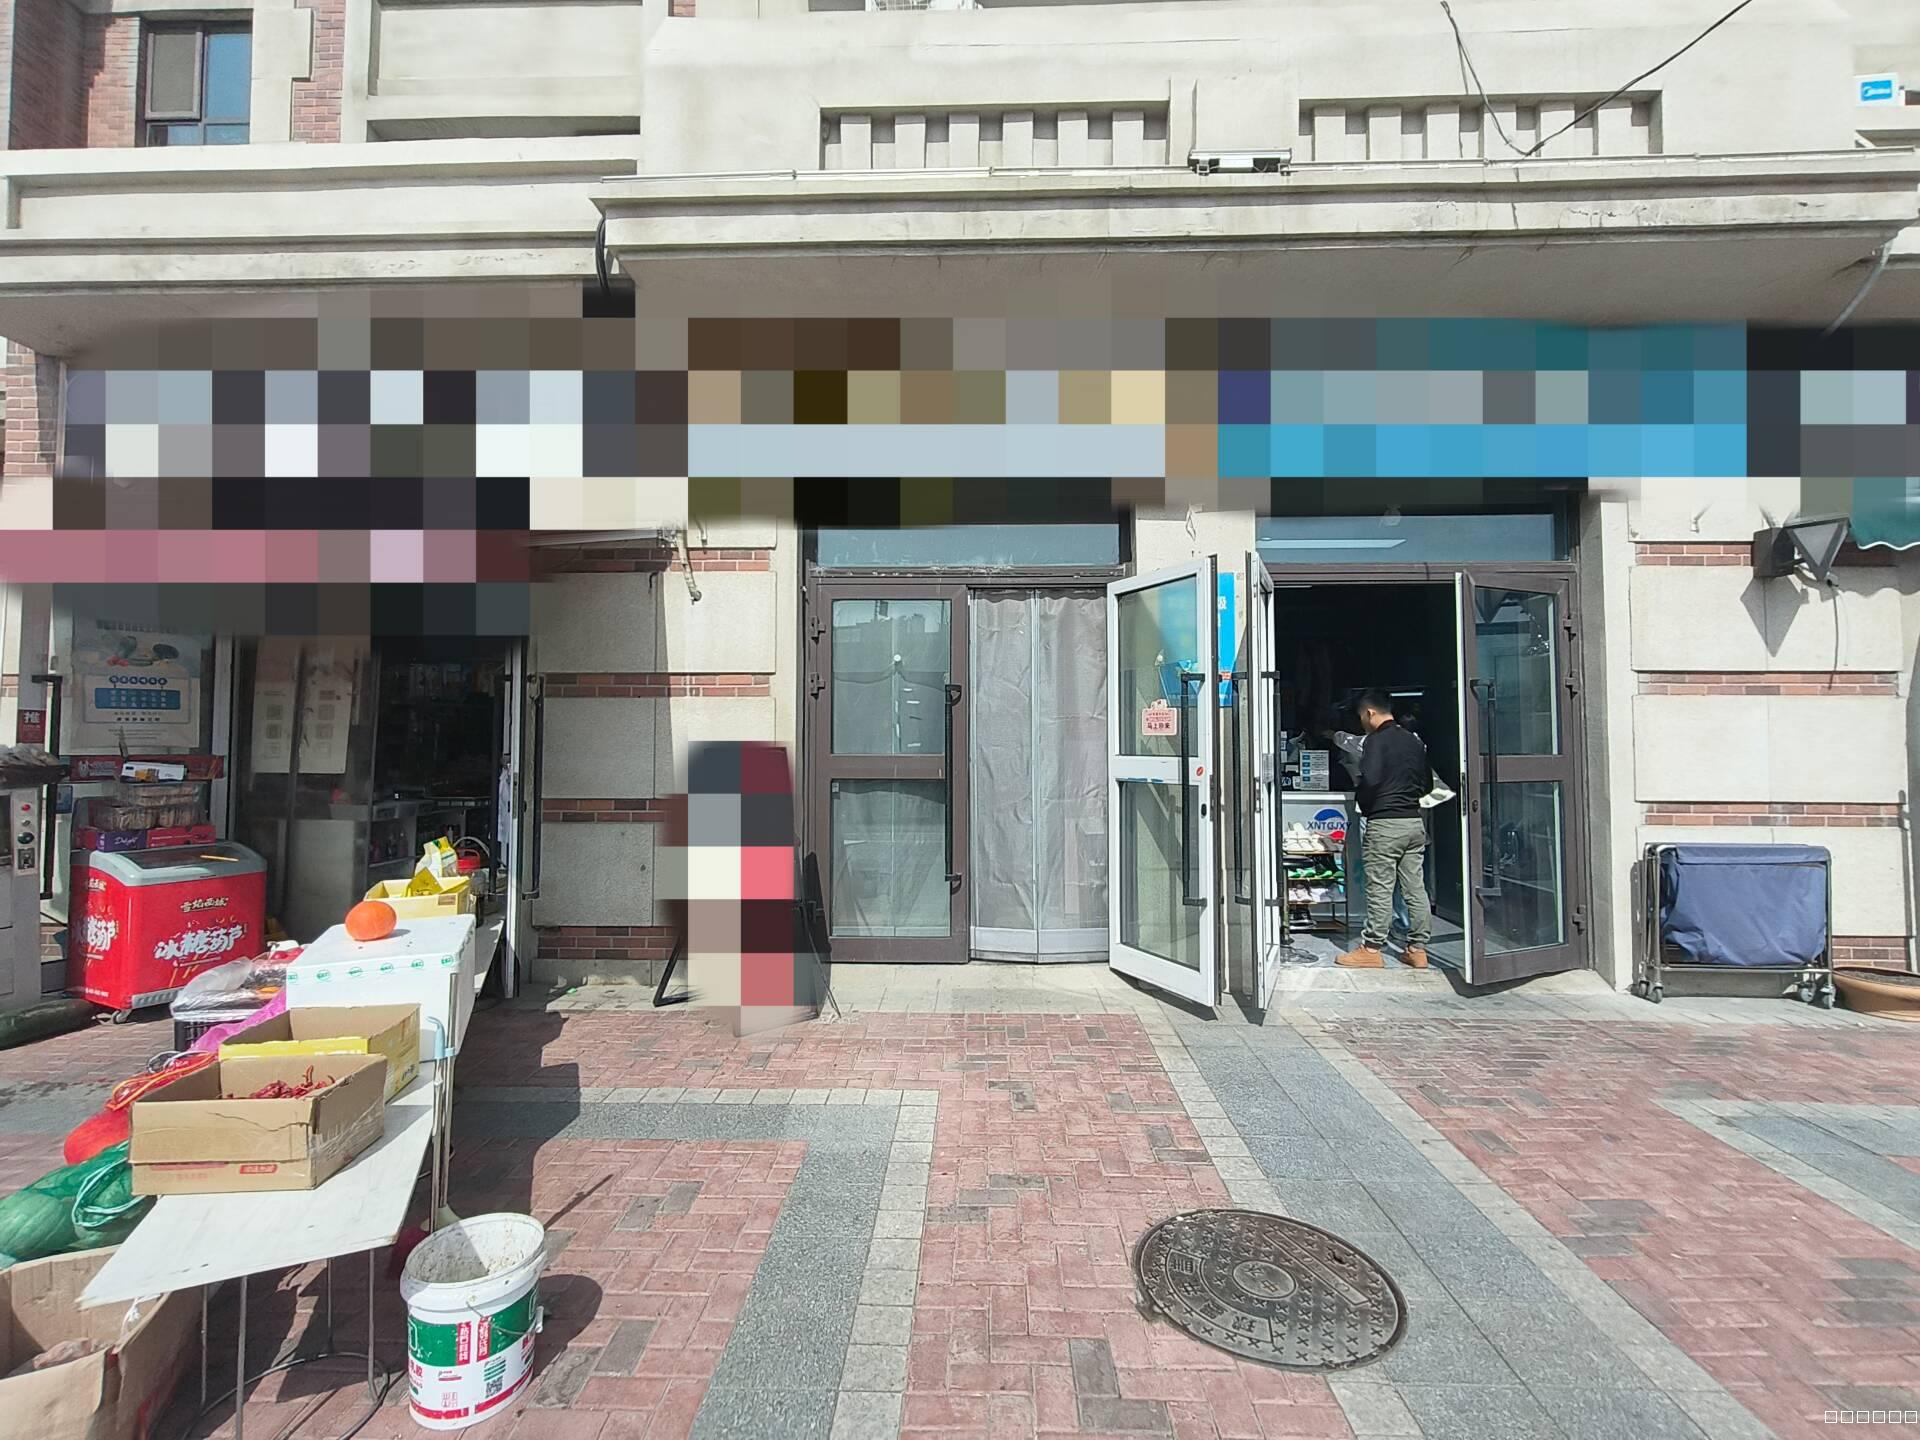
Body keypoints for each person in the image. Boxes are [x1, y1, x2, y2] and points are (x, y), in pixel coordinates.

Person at [1337, 688, 1432, 969]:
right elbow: (1427, 784)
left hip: (1385, 823)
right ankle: (1418, 949)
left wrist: (1366, 804)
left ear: (1370, 713)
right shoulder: (1413, 740)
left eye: (1361, 718)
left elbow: (1371, 780)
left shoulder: (1375, 741)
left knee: (1379, 887)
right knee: (1415, 887)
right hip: (1414, 822)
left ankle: (1371, 948)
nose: (1362, 723)